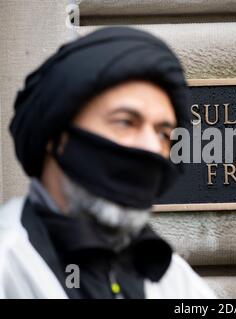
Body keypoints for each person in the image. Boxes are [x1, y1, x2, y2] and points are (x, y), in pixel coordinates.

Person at [0, 26, 216, 299]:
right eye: (126, 122)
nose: (152, 147)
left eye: (163, 134)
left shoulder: (172, 277)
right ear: (58, 137)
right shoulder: (9, 264)